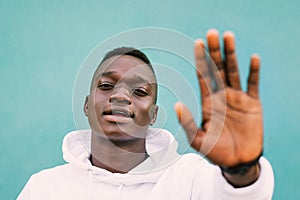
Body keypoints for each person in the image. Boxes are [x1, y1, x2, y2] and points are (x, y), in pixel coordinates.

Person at [17, 29, 274, 199]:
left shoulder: (189, 178)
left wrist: (242, 169)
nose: (120, 96)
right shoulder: (43, 188)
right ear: (86, 106)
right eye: (106, 86)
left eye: (139, 91)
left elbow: (236, 194)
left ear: (153, 115)